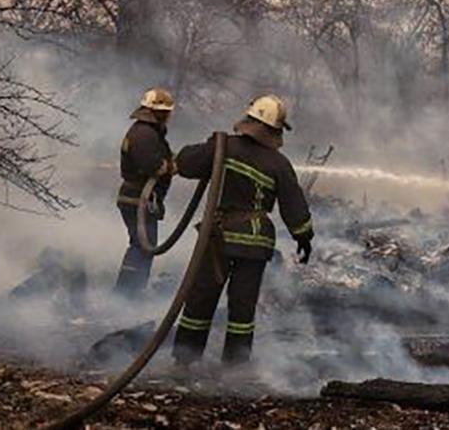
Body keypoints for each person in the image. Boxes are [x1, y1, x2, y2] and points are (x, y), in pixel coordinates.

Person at [171, 94, 313, 365]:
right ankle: (235, 366)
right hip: (256, 242)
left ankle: (185, 360)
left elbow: (187, 163)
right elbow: (294, 205)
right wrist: (304, 236)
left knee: (201, 296)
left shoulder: (224, 146)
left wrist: (179, 158)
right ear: (275, 130)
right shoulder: (279, 164)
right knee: (243, 306)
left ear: (249, 120)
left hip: (218, 238)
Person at [114, 87, 177, 297]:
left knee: (141, 247)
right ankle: (127, 295)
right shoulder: (145, 134)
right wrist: (172, 165)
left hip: (138, 198)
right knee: (142, 248)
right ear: (160, 113)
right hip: (139, 199)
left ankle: (127, 294)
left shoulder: (145, 132)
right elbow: (152, 165)